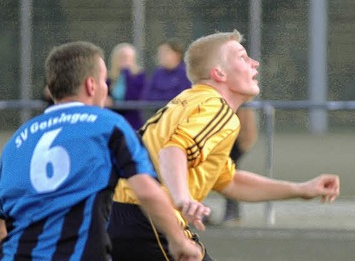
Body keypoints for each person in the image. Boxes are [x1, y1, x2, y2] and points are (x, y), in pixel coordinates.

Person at [108, 30, 340, 260]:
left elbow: (228, 181)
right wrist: (183, 199)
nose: (254, 63)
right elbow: (173, 150)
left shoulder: (192, 101)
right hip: (150, 217)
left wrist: (301, 189)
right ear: (219, 73)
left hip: (119, 214)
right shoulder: (217, 108)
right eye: (242, 57)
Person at [0, 41, 203, 260]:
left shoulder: (17, 140)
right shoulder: (107, 125)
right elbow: (146, 191)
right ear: (91, 85)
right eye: (103, 80)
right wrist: (179, 241)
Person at [107, 42, 146, 130]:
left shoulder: (139, 76)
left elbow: (132, 97)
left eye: (128, 57)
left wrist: (126, 73)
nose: (125, 60)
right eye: (122, 57)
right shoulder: (110, 78)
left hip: (132, 120)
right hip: (113, 118)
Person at [143, 38, 192, 105]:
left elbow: (183, 96)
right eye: (159, 53)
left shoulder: (186, 74)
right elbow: (148, 96)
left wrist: (162, 97)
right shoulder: (157, 73)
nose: (161, 56)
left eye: (165, 52)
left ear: (177, 54)